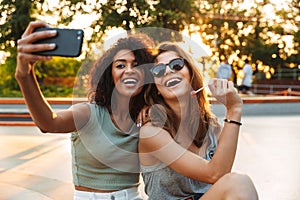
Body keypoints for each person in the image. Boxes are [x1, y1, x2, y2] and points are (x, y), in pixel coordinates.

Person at [16, 21, 155, 200]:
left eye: (136, 65)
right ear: (109, 75)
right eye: (120, 65)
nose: (129, 71)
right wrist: (24, 74)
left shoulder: (147, 118)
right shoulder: (88, 113)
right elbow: (49, 123)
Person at [138, 42, 258, 199]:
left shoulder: (212, 126)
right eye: (158, 71)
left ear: (190, 74)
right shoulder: (152, 132)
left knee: (237, 184)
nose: (167, 71)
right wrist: (234, 110)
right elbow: (214, 174)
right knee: (238, 182)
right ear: (156, 89)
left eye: (176, 65)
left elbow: (223, 177)